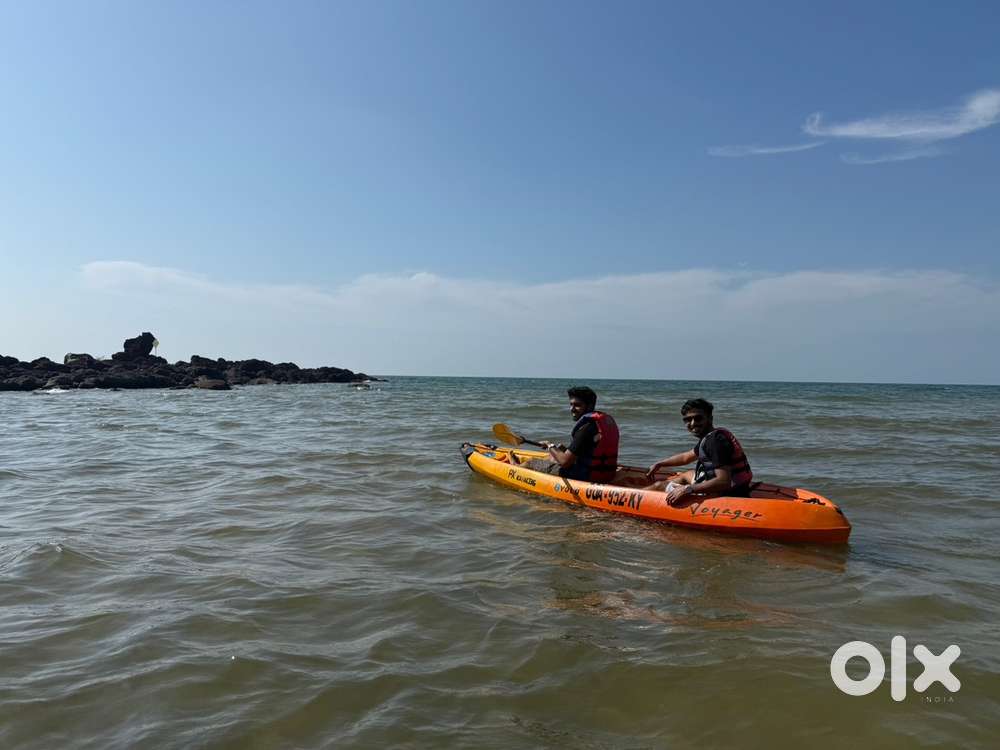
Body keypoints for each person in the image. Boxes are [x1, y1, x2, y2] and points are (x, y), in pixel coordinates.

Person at [645, 398, 753, 504]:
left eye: (698, 418)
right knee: (687, 474)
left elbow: (723, 482)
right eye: (687, 419)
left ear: (710, 418)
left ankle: (633, 497)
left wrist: (688, 489)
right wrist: (660, 464)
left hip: (726, 493)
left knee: (659, 486)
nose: (692, 423)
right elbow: (686, 457)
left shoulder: (715, 442)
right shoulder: (714, 435)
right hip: (740, 486)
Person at [511, 386, 620, 482]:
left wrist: (550, 446)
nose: (572, 409)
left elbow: (564, 462)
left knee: (532, 462)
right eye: (571, 404)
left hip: (585, 477)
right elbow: (587, 450)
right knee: (552, 457)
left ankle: (515, 467)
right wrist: (558, 450)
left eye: (577, 405)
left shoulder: (585, 428)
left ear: (590, 406)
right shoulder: (600, 423)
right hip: (607, 475)